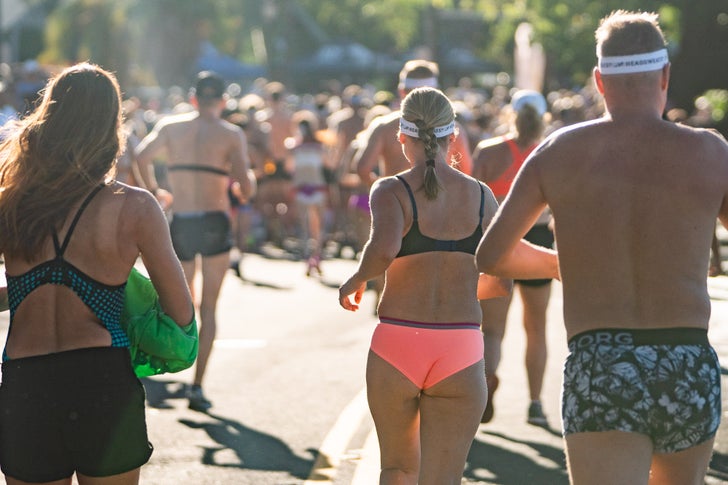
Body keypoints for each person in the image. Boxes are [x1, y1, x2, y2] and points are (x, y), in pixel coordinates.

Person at [477, 10, 726, 485]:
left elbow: (491, 256)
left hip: (602, 361)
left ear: (598, 80)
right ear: (665, 75)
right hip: (686, 359)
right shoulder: (712, 152)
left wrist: (561, 264)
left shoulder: (557, 152)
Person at [0, 63, 194, 484]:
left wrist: (30, 287)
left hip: (26, 380)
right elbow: (181, 314)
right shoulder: (135, 206)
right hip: (102, 379)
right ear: (110, 126)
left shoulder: (10, 199)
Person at [339, 86, 519, 483]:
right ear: (453, 136)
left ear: (401, 138)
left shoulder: (391, 190)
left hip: (399, 340)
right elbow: (501, 281)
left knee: (397, 468)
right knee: (444, 478)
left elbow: (383, 250)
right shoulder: (482, 197)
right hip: (460, 346)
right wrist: (456, 288)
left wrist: (355, 279)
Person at [135, 71, 255, 412]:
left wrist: (154, 191)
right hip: (214, 220)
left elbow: (140, 157)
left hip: (183, 220)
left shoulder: (171, 127)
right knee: (209, 309)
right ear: (223, 102)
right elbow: (246, 187)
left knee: (176, 303)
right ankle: (197, 385)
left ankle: (164, 366)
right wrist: (243, 186)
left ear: (193, 99)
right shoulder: (230, 134)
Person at [353, 59, 474, 311]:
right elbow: (467, 173)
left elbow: (362, 167)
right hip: (439, 210)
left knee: (389, 264)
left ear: (401, 91)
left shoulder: (384, 126)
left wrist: (384, 192)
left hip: (397, 208)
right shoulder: (453, 129)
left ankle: (386, 300)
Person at [471, 89, 553, 426]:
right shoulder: (551, 152)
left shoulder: (489, 151)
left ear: (511, 114)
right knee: (536, 328)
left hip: (498, 239)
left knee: (492, 330)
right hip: (538, 236)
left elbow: (472, 200)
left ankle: (486, 381)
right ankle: (535, 403)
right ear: (544, 117)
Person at [289, 110, 328, 276]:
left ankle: (311, 256)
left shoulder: (295, 147)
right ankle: (314, 256)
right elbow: (329, 164)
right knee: (313, 226)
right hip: (313, 187)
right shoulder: (318, 146)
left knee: (308, 225)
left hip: (307, 187)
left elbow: (289, 167)